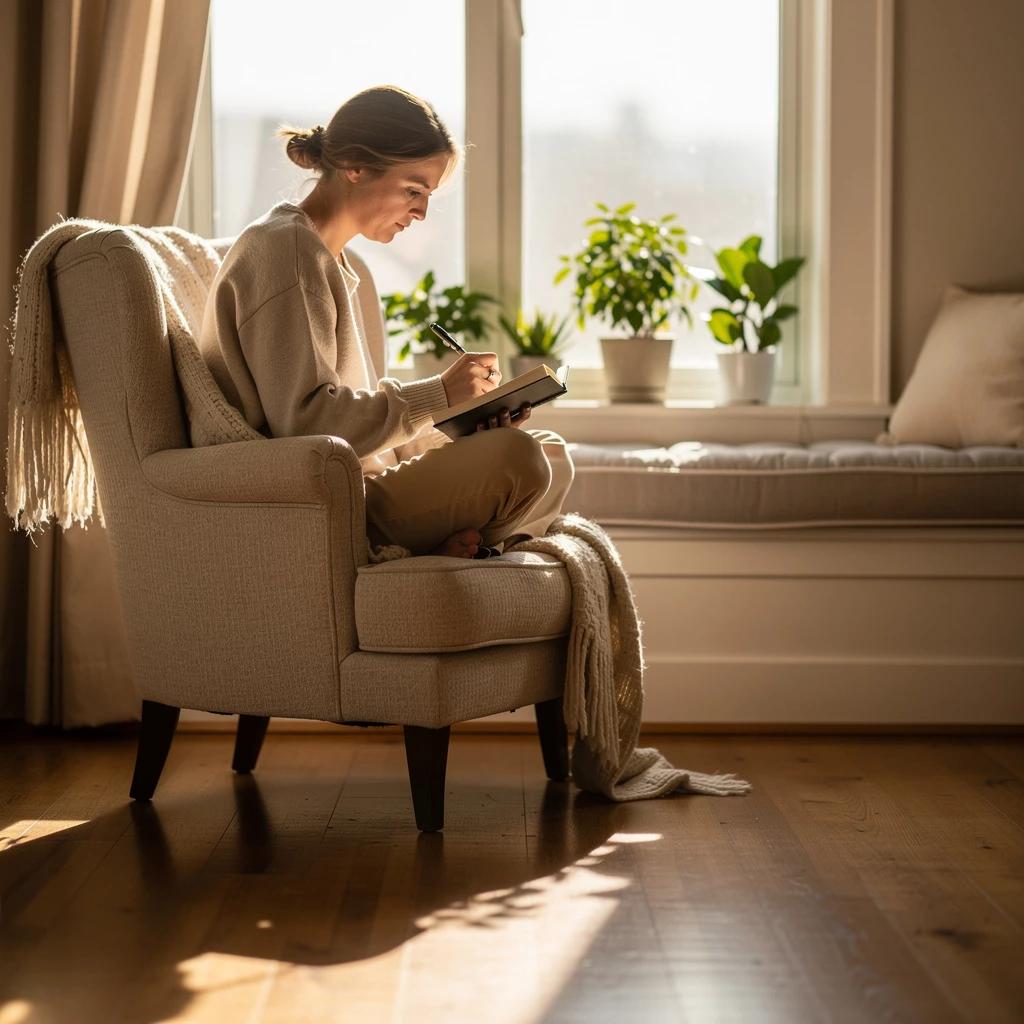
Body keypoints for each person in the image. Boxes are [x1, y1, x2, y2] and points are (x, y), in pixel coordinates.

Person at [199, 85, 573, 558]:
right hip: (331, 501)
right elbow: (305, 423)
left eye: (428, 195)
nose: (421, 212)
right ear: (355, 165)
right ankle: (464, 549)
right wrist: (438, 394)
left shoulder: (332, 259)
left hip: (364, 476)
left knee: (549, 453)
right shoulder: (286, 253)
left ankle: (468, 548)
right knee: (519, 460)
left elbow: (355, 421)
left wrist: (463, 426)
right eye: (413, 190)